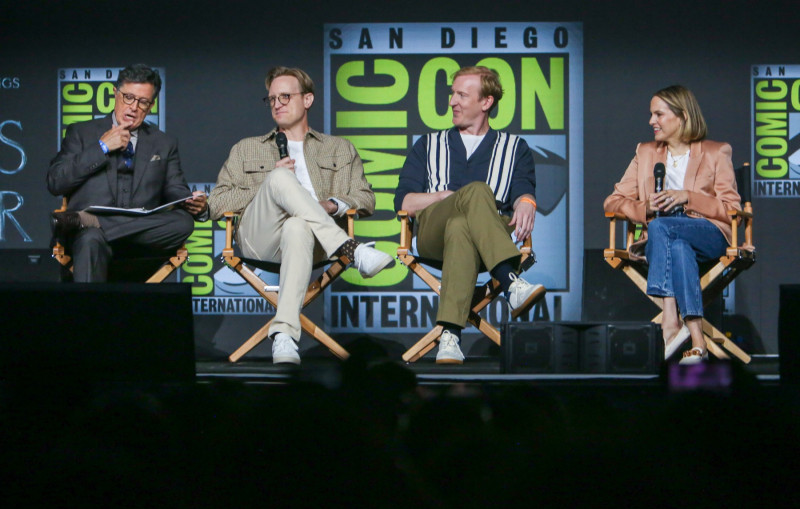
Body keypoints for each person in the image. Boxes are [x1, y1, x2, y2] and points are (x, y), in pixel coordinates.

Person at [204, 66, 393, 365]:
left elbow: (365, 197)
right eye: (271, 99)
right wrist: (270, 185)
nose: (277, 104)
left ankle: (284, 336)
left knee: (297, 225)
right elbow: (217, 203)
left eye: (285, 96)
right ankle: (351, 250)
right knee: (279, 179)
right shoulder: (246, 149)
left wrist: (330, 204)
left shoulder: (339, 149)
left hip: (314, 242)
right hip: (260, 237)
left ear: (307, 100)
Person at [394, 65, 545, 365]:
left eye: (462, 95)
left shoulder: (515, 147)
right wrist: (444, 197)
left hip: (487, 238)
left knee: (462, 227)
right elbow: (405, 201)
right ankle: (510, 282)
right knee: (475, 192)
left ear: (486, 102)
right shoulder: (428, 144)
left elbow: (524, 189)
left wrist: (527, 200)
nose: (452, 102)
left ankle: (449, 335)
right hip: (432, 233)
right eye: (453, 95)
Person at [604, 85, 741, 365]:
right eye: (651, 114)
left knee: (662, 227)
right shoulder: (645, 153)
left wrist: (688, 197)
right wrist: (645, 208)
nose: (651, 121)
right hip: (666, 240)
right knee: (677, 246)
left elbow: (731, 209)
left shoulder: (717, 152)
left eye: (658, 114)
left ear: (683, 116)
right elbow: (613, 202)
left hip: (709, 233)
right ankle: (698, 341)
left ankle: (669, 322)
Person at [47, 63, 206, 282]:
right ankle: (89, 316)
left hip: (142, 244)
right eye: (128, 97)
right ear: (115, 94)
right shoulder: (81, 132)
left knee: (184, 222)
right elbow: (56, 181)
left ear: (151, 106)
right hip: (90, 240)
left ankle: (89, 220)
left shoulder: (163, 143)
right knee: (90, 239)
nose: (133, 107)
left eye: (143, 102)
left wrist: (192, 203)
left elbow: (175, 189)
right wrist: (101, 147)